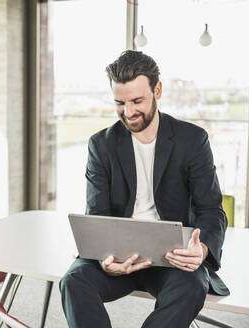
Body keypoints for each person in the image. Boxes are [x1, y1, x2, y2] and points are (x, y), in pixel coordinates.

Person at [59, 50, 230, 328]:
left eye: (137, 101)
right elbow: (97, 214)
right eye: (120, 103)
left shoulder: (192, 140)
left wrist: (203, 250)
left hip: (172, 259)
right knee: (74, 280)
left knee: (191, 286)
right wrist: (104, 258)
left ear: (157, 90)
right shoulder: (101, 145)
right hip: (117, 256)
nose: (129, 112)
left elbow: (211, 209)